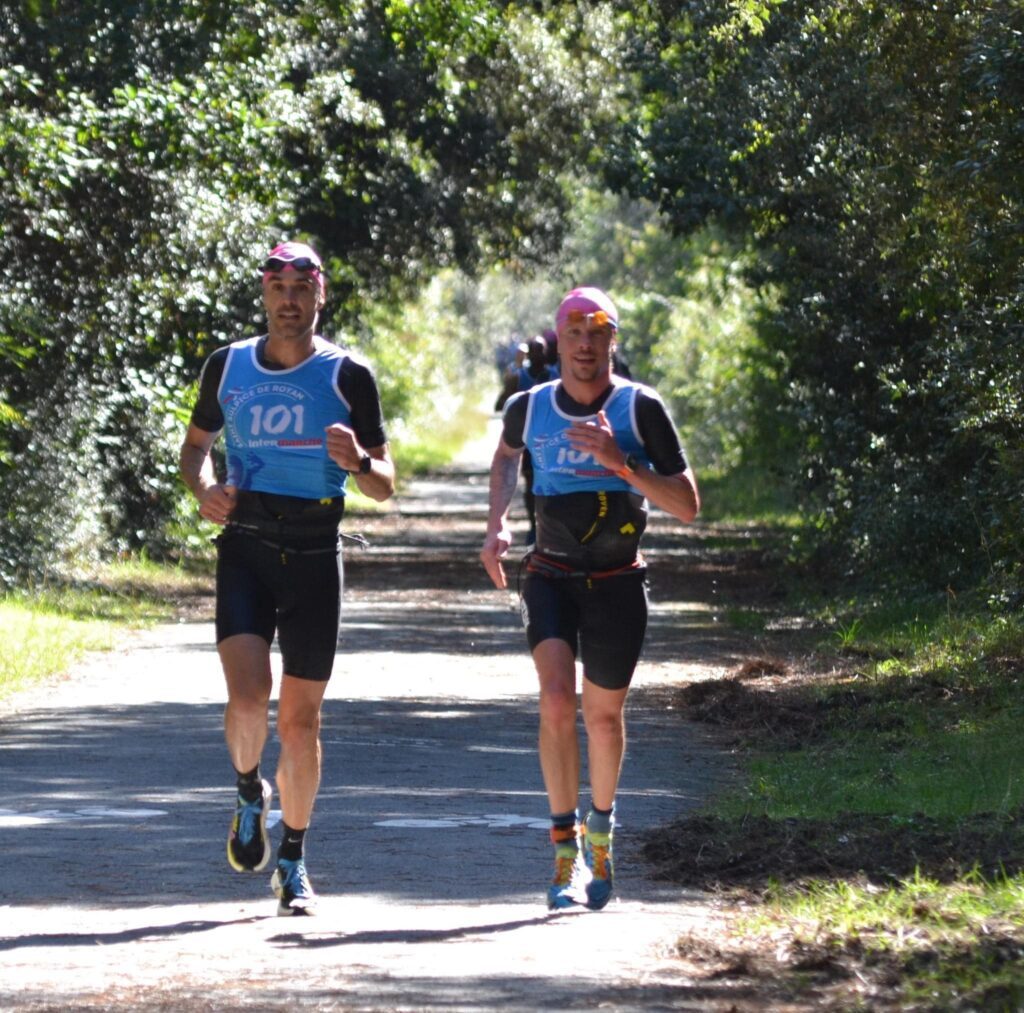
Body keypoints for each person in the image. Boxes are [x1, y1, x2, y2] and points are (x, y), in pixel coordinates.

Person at [179, 240, 395, 916]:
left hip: (313, 552)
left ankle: (295, 860)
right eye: (279, 288)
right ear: (265, 293)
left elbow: (385, 484)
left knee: (300, 723)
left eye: (303, 289)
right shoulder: (228, 366)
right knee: (249, 699)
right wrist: (205, 487)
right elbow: (195, 448)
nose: (290, 301)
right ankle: (250, 790)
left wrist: (359, 460)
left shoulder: (349, 374)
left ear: (320, 295)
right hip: (244, 544)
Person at [479, 286, 700, 911]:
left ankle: (601, 833)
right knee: (555, 700)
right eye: (573, 330)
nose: (584, 342)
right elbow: (504, 458)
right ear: (559, 339)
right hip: (549, 573)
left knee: (602, 717)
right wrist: (496, 523)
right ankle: (562, 856)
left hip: (618, 581)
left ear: (611, 341)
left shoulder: (640, 409)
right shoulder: (529, 406)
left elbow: (687, 504)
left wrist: (621, 463)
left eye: (596, 331)